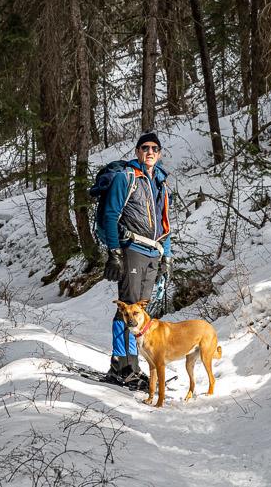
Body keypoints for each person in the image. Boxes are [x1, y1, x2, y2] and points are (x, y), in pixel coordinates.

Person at [100, 131, 172, 387]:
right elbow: (110, 215)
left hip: (154, 252)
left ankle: (134, 366)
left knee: (141, 311)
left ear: (160, 153)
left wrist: (168, 257)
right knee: (128, 308)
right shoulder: (126, 177)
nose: (150, 151)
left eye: (154, 148)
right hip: (132, 249)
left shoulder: (161, 183)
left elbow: (165, 224)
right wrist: (114, 252)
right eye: (145, 147)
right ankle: (120, 366)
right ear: (137, 152)